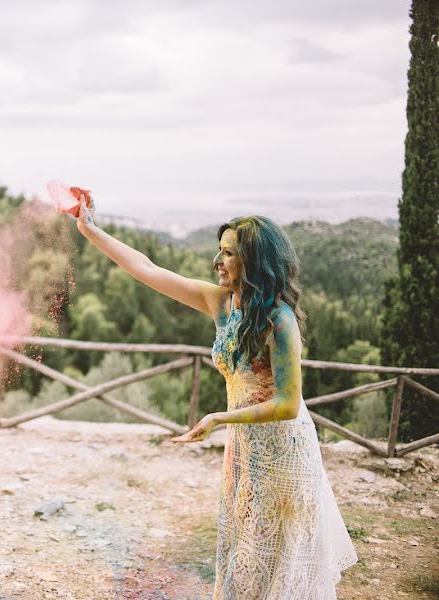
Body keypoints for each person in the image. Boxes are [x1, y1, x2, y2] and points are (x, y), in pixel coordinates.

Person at [68, 194, 357, 599]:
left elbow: (289, 404)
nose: (217, 262)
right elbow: (148, 269)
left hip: (283, 451)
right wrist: (90, 229)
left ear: (253, 262)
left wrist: (221, 419)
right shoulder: (219, 302)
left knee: (272, 561)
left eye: (228, 254)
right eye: (218, 251)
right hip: (242, 449)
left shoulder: (280, 320)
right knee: (241, 552)